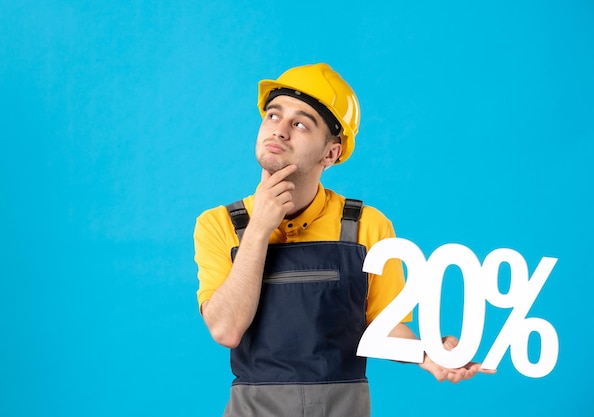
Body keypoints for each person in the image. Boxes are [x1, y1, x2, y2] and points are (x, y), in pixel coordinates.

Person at [194, 63, 493, 417]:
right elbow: (226, 330)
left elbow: (384, 324)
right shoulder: (219, 225)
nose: (280, 131)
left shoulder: (367, 226)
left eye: (301, 123)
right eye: (273, 116)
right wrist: (259, 227)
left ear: (331, 153)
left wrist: (429, 354)